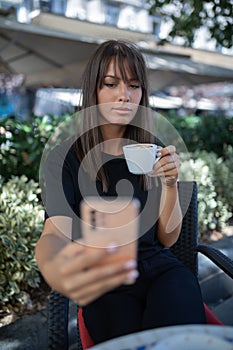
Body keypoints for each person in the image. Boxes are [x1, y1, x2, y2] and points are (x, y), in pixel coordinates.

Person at [35, 40, 206, 345]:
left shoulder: (150, 150)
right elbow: (54, 230)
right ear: (94, 91)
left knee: (177, 326)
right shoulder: (66, 158)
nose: (124, 95)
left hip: (160, 270)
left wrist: (169, 184)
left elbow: (167, 239)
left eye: (134, 85)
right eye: (111, 83)